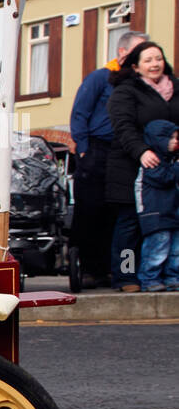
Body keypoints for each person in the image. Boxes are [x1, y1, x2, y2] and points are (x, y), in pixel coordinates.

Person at [70, 31, 148, 288]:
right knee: (91, 211)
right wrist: (83, 148)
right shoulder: (100, 77)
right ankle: (93, 269)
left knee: (123, 215)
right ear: (123, 53)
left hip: (126, 152)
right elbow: (80, 112)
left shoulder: (141, 84)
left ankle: (122, 271)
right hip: (97, 150)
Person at [106, 40, 179, 291]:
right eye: (148, 60)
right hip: (131, 166)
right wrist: (142, 151)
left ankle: (168, 275)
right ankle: (126, 275)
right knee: (130, 225)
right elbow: (122, 126)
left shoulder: (175, 88)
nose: (154, 64)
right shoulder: (126, 91)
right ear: (136, 67)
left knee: (168, 223)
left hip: (168, 170)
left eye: (158, 58)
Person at [137, 120, 179, 291]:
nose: (176, 142)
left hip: (173, 212)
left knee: (176, 250)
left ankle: (172, 277)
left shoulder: (172, 161)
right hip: (156, 213)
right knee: (157, 249)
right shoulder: (152, 161)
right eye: (172, 138)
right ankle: (149, 278)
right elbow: (165, 178)